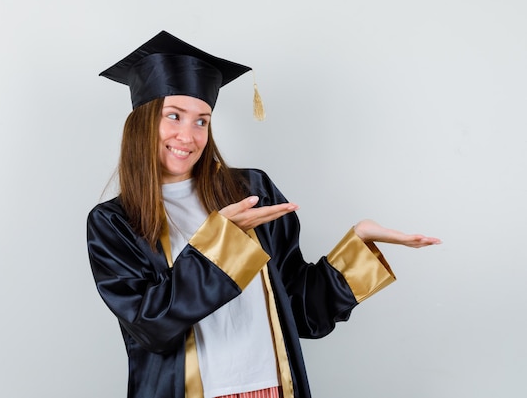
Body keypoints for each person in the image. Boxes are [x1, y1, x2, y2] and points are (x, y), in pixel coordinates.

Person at [87, 31, 441, 398]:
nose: (188, 136)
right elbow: (151, 328)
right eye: (173, 116)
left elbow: (301, 311)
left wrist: (358, 248)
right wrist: (221, 242)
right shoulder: (115, 222)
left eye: (201, 121)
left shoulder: (250, 192)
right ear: (142, 123)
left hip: (272, 388)